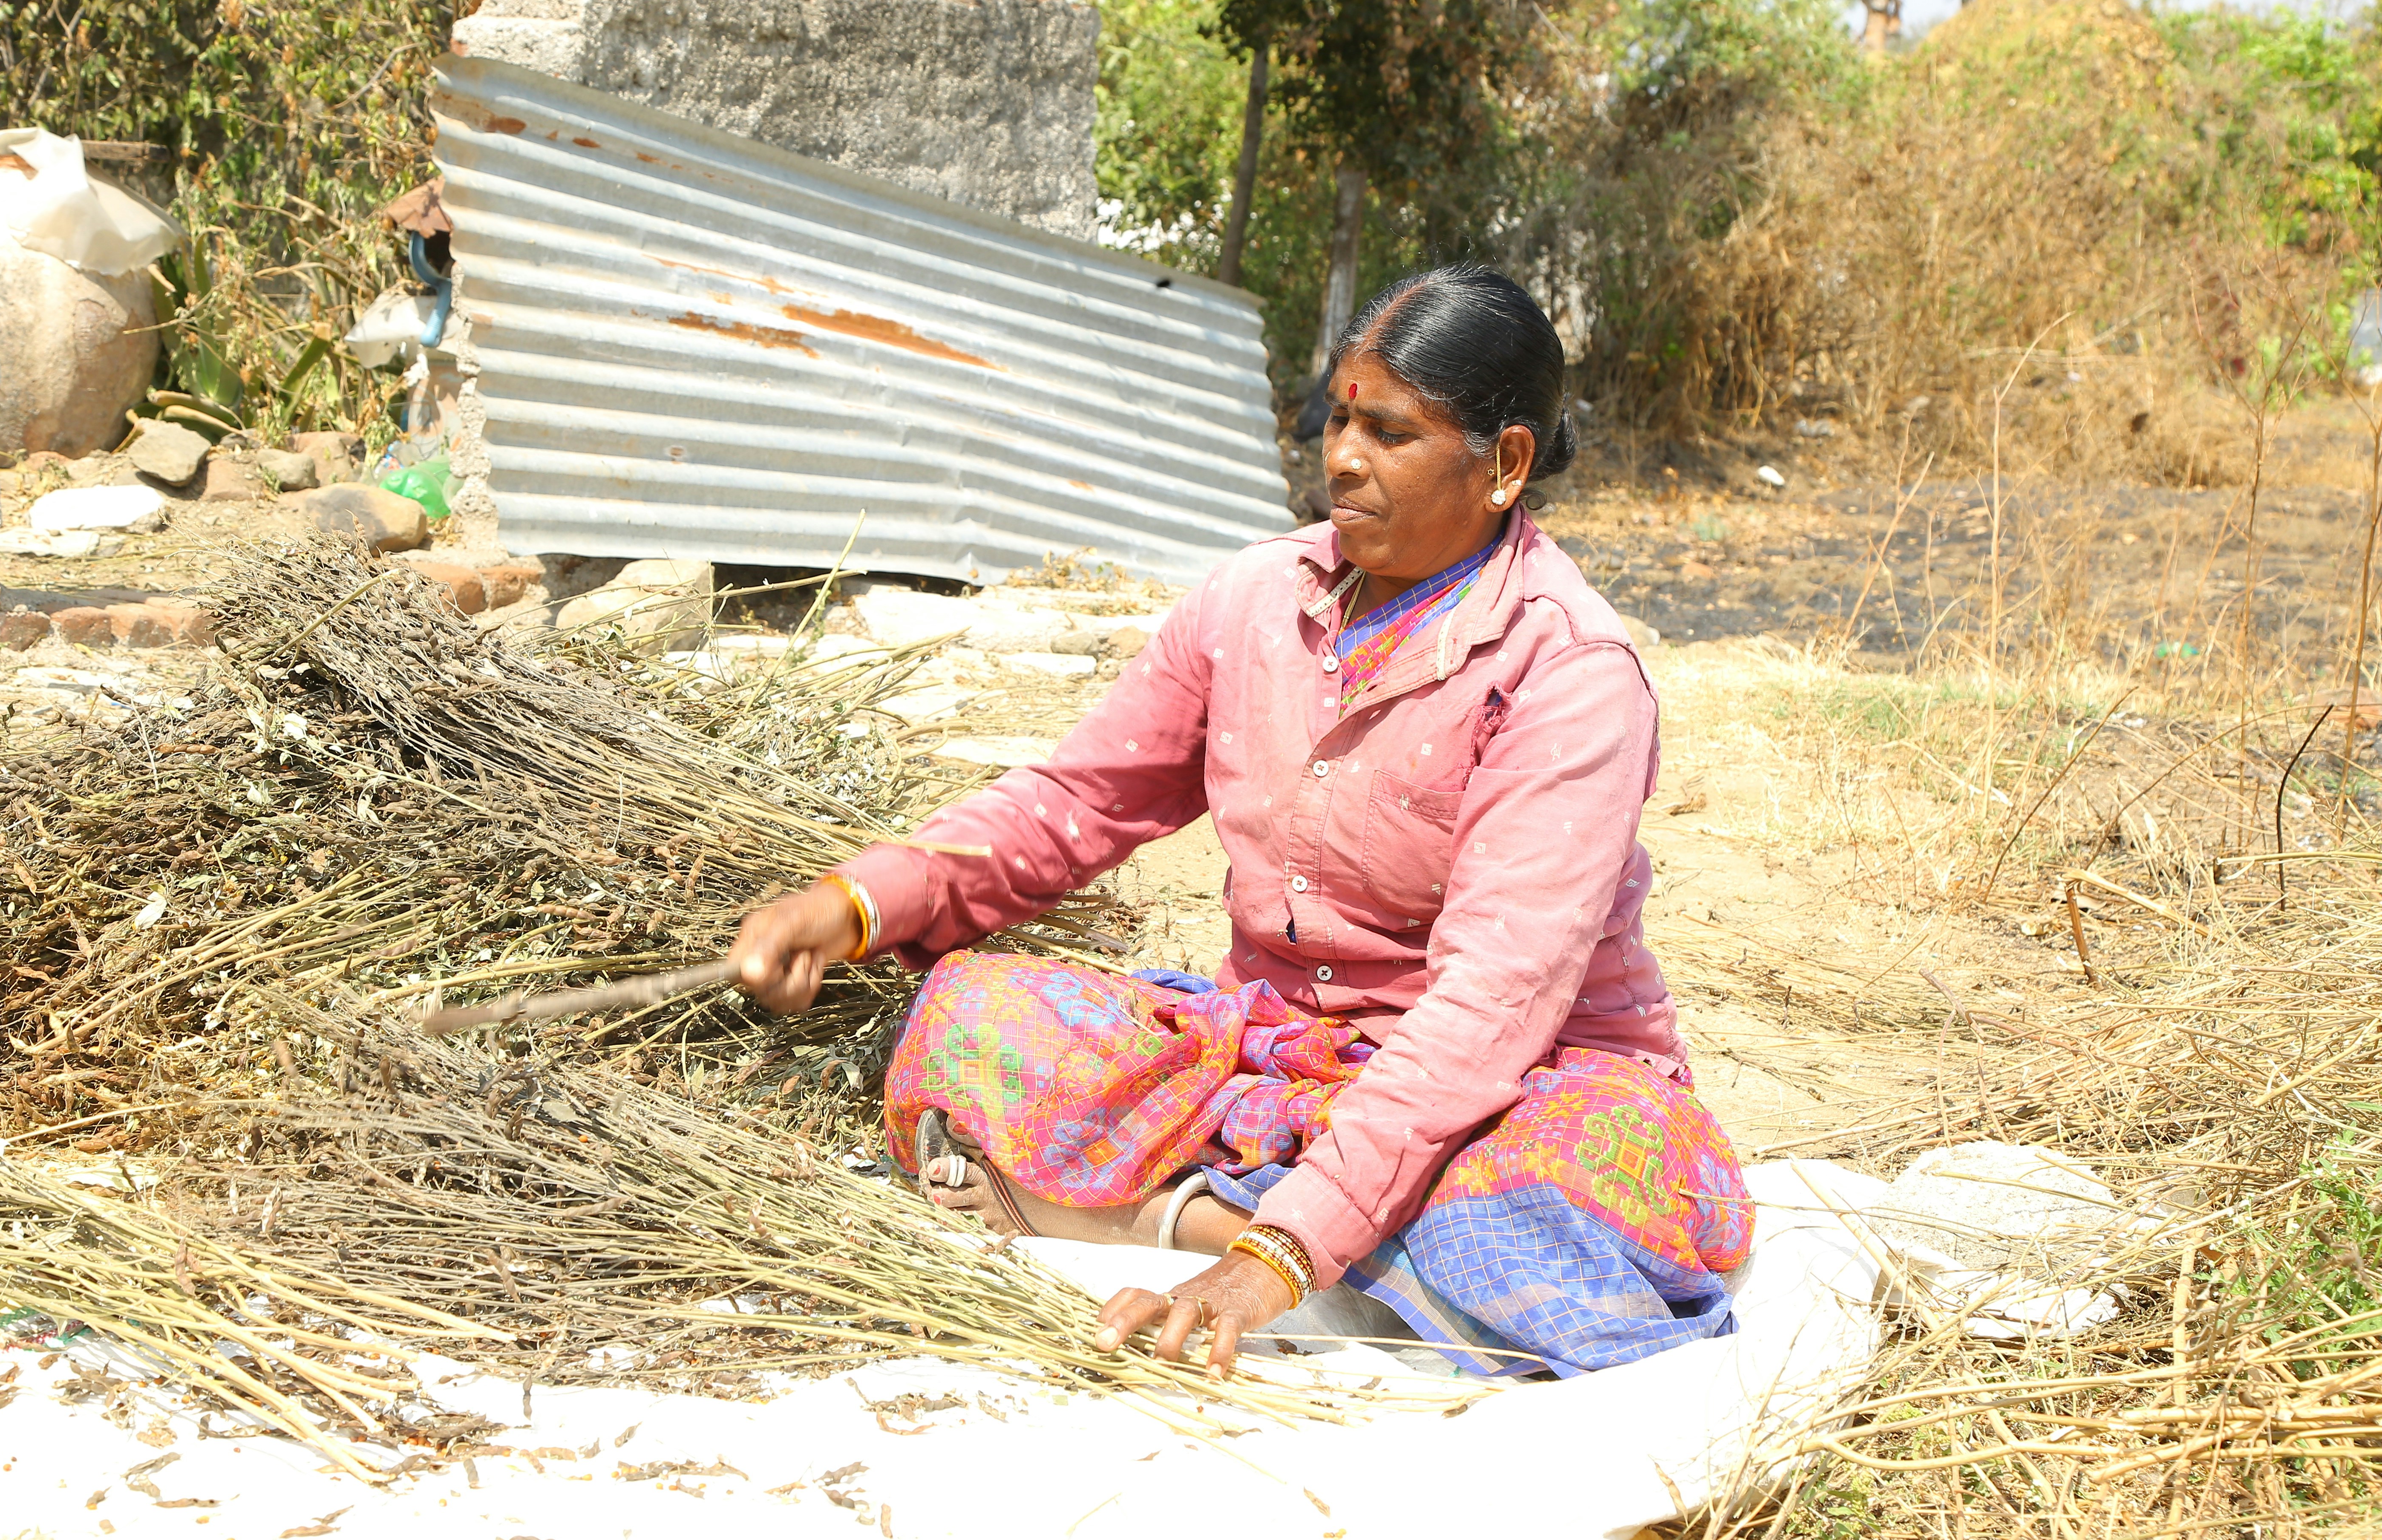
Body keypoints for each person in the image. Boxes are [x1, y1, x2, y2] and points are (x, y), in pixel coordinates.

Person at [728, 264, 1752, 1381]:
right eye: (1340, 418)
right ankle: (1330, 1252)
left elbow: (1495, 1004)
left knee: (1525, 1216)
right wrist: (861, 900)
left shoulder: (1568, 675)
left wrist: (1281, 1253)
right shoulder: (1251, 602)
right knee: (978, 1017)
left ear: (1504, 463)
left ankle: (1204, 1222)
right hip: (1284, 1054)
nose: (1343, 457)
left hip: (1520, 1083)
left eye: (1392, 433)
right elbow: (1077, 801)